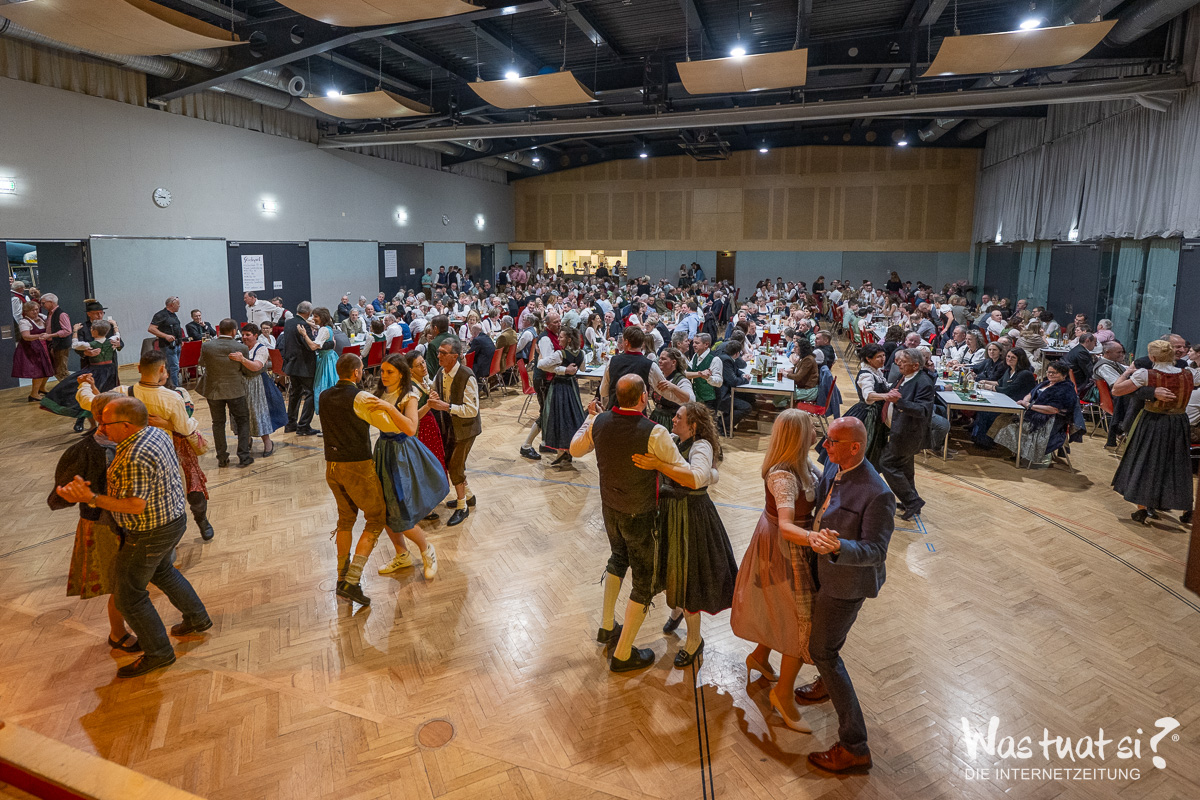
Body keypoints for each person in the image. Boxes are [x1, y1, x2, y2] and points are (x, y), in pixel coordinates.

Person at [55, 395, 211, 678]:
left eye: (106, 423)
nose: (101, 427)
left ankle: (159, 653)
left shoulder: (133, 456)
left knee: (128, 596)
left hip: (149, 532)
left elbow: (134, 505)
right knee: (163, 572)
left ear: (126, 425)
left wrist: (91, 497)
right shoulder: (155, 433)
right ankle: (197, 618)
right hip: (173, 520)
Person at [793, 417, 895, 772]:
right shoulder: (835, 468)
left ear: (855, 447)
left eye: (833, 442)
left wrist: (839, 548)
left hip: (847, 583)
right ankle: (826, 683)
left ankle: (855, 746)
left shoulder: (878, 492)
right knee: (827, 644)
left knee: (823, 650)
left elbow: (877, 551)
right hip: (824, 570)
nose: (825, 446)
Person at [570, 374, 690, 673]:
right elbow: (683, 470)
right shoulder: (655, 432)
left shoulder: (599, 422)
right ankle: (623, 654)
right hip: (641, 512)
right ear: (643, 397)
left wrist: (590, 418)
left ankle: (607, 626)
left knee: (618, 558)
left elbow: (574, 450)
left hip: (610, 507)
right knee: (644, 580)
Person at [727, 409, 822, 730]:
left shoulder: (804, 463)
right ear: (798, 436)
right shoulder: (783, 476)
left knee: (780, 610)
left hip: (787, 544)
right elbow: (786, 525)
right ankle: (783, 695)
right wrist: (814, 538)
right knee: (798, 621)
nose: (817, 431)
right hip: (783, 549)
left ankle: (760, 656)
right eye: (812, 427)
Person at [632, 401, 737, 666]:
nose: (674, 419)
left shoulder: (701, 446)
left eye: (679, 417)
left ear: (693, 425)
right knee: (673, 568)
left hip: (692, 516)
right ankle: (677, 611)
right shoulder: (677, 440)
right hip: (674, 512)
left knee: (689, 576)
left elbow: (696, 479)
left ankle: (694, 641)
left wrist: (658, 464)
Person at [77, 351, 215, 541]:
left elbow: (90, 402)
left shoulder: (125, 393)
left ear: (139, 368)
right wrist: (170, 425)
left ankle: (195, 523)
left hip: (142, 451)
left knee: (181, 491)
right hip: (167, 450)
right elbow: (186, 427)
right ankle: (187, 527)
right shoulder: (170, 397)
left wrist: (84, 385)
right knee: (183, 489)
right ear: (162, 369)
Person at [48, 391, 139, 653]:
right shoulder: (83, 451)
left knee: (130, 581)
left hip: (130, 520)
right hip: (103, 524)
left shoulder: (130, 441)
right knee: (118, 583)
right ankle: (117, 633)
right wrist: (72, 493)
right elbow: (59, 496)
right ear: (103, 418)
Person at [319, 353, 405, 606]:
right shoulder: (360, 397)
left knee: (345, 520)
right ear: (357, 372)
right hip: (356, 465)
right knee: (376, 518)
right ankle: (352, 581)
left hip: (331, 466)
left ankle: (341, 577)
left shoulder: (324, 395)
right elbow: (390, 427)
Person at [371, 354, 446, 580]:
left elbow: (411, 428)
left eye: (389, 372)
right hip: (383, 450)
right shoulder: (381, 392)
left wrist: (389, 408)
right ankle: (402, 554)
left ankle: (427, 550)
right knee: (384, 509)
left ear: (401, 373)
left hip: (401, 453)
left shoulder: (409, 395)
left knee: (401, 510)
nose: (384, 376)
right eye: (382, 371)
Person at [1112, 340, 1196, 525]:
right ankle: (1187, 509)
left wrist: (1126, 373)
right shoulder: (1189, 373)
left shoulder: (1145, 374)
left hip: (1153, 421)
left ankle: (1142, 508)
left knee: (1146, 462)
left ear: (1152, 357)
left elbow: (1116, 390)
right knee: (1179, 465)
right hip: (1179, 423)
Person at [429, 337, 481, 526]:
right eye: (439, 352)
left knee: (455, 467)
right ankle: (469, 496)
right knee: (452, 464)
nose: (439, 356)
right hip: (449, 427)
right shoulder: (441, 373)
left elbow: (472, 410)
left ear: (455, 356)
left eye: (443, 353)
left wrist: (447, 407)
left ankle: (462, 507)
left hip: (466, 429)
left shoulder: (467, 376)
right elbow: (433, 390)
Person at [879, 348, 935, 521]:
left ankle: (912, 501)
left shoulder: (923, 382)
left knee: (887, 463)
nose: (898, 364)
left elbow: (923, 410)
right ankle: (909, 500)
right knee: (905, 469)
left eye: (903, 362)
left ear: (915, 365)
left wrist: (899, 402)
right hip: (898, 429)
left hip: (908, 433)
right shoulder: (904, 376)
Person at [993, 362, 1081, 467]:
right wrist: (1025, 401)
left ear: (1064, 375)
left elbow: (1053, 409)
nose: (1050, 374)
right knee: (1003, 418)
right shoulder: (1046, 383)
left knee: (1011, 426)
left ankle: (1020, 455)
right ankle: (1016, 453)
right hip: (1034, 413)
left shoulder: (1065, 389)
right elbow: (1031, 393)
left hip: (1048, 422)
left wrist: (1030, 406)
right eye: (1049, 372)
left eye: (1054, 373)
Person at [198, 318, 254, 468]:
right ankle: (244, 456)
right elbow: (246, 371)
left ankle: (222, 458)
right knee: (242, 421)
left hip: (214, 390)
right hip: (235, 390)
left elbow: (201, 363)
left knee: (218, 423)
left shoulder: (207, 346)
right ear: (234, 331)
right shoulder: (241, 348)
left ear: (219, 330)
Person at [230, 323, 287, 458]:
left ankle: (267, 442)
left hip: (258, 385)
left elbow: (256, 366)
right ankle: (246, 440)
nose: (244, 337)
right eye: (243, 334)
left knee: (258, 414)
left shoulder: (261, 349)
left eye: (248, 335)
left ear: (255, 335)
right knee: (242, 413)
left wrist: (242, 359)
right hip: (241, 385)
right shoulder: (240, 348)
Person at [971, 348, 1037, 448]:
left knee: (987, 412)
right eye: (1008, 356)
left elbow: (1008, 390)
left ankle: (985, 441)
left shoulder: (1025, 374)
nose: (1009, 359)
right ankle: (977, 438)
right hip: (1003, 400)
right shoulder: (1009, 370)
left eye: (1013, 357)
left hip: (1016, 405)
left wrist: (990, 387)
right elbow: (1000, 383)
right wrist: (985, 382)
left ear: (1020, 359)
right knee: (982, 409)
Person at [838, 343, 890, 467]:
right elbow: (868, 395)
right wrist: (887, 396)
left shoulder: (876, 371)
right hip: (868, 415)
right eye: (878, 357)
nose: (883, 359)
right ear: (868, 359)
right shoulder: (866, 375)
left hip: (876, 414)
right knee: (865, 447)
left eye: (883, 355)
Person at [541, 326, 587, 466]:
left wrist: (561, 370)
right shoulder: (582, 353)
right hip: (572, 388)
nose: (558, 339)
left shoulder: (560, 354)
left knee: (559, 418)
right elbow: (583, 368)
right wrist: (566, 369)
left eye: (561, 337)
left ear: (569, 339)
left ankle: (561, 451)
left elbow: (541, 365)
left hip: (559, 388)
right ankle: (568, 450)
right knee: (572, 418)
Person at [282, 302, 319, 436]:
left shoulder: (288, 323)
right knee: (311, 394)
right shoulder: (303, 325)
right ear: (308, 313)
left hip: (292, 364)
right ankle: (303, 426)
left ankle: (290, 424)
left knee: (295, 393)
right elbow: (310, 346)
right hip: (305, 366)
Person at [298, 307, 339, 415]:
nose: (313, 318)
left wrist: (304, 334)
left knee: (323, 386)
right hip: (330, 357)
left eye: (316, 316)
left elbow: (313, 346)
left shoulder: (324, 330)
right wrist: (306, 321)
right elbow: (315, 325)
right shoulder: (327, 327)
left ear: (322, 317)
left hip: (325, 360)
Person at [13, 300, 54, 402]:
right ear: (26, 312)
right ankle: (34, 394)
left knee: (47, 368)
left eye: (36, 309)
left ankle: (42, 388)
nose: (35, 312)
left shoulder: (42, 317)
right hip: (31, 349)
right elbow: (26, 336)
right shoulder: (24, 322)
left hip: (43, 347)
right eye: (32, 310)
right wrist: (39, 336)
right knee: (38, 371)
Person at [714, 338, 752, 435]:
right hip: (721, 396)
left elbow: (735, 371)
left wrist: (743, 375)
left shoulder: (726, 357)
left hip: (725, 391)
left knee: (749, 397)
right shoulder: (726, 360)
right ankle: (721, 425)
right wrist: (745, 380)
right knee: (746, 407)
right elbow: (733, 381)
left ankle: (723, 422)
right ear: (737, 354)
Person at [650, 347, 694, 427]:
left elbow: (691, 400)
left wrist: (673, 387)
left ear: (673, 362)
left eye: (663, 359)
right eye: (660, 358)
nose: (659, 361)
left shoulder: (682, 380)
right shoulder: (661, 377)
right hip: (656, 417)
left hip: (672, 421)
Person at [148, 296, 184, 388]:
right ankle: (175, 387)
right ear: (172, 305)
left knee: (175, 367)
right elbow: (151, 329)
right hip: (167, 346)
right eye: (178, 304)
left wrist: (180, 340)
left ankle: (172, 385)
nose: (179, 306)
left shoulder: (173, 315)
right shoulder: (160, 315)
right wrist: (165, 336)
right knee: (173, 367)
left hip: (176, 344)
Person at [40, 293, 74, 381]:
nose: (42, 305)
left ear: (51, 302)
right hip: (54, 344)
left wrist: (51, 335)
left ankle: (70, 387)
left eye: (43, 303)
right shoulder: (50, 313)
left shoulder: (61, 314)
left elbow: (67, 331)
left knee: (61, 370)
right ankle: (66, 387)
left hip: (61, 345)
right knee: (56, 370)